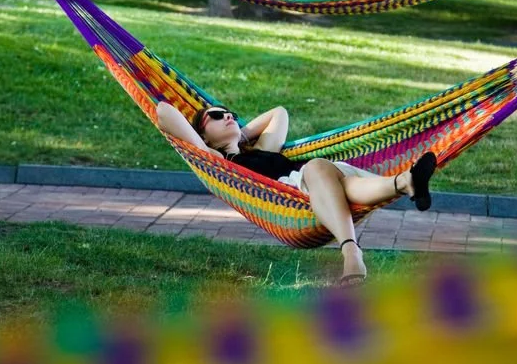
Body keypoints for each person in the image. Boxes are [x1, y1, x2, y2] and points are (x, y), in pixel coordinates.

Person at [157, 102, 437, 285]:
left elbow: (279, 112)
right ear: (203, 137)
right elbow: (163, 110)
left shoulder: (263, 149)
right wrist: (221, 138)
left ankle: (404, 184)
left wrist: (240, 133)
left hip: (322, 179)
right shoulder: (216, 161)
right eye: (217, 116)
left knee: (331, 174)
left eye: (231, 113)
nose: (228, 116)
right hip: (296, 193)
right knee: (323, 172)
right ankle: (360, 237)